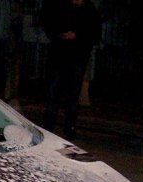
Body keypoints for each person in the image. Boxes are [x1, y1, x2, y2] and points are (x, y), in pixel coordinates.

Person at [41, 0, 101, 139]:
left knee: (73, 94)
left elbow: (95, 35)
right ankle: (48, 125)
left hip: (77, 58)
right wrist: (60, 35)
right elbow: (50, 26)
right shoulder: (61, 8)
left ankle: (70, 127)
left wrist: (78, 36)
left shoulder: (90, 12)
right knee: (53, 92)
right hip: (59, 57)